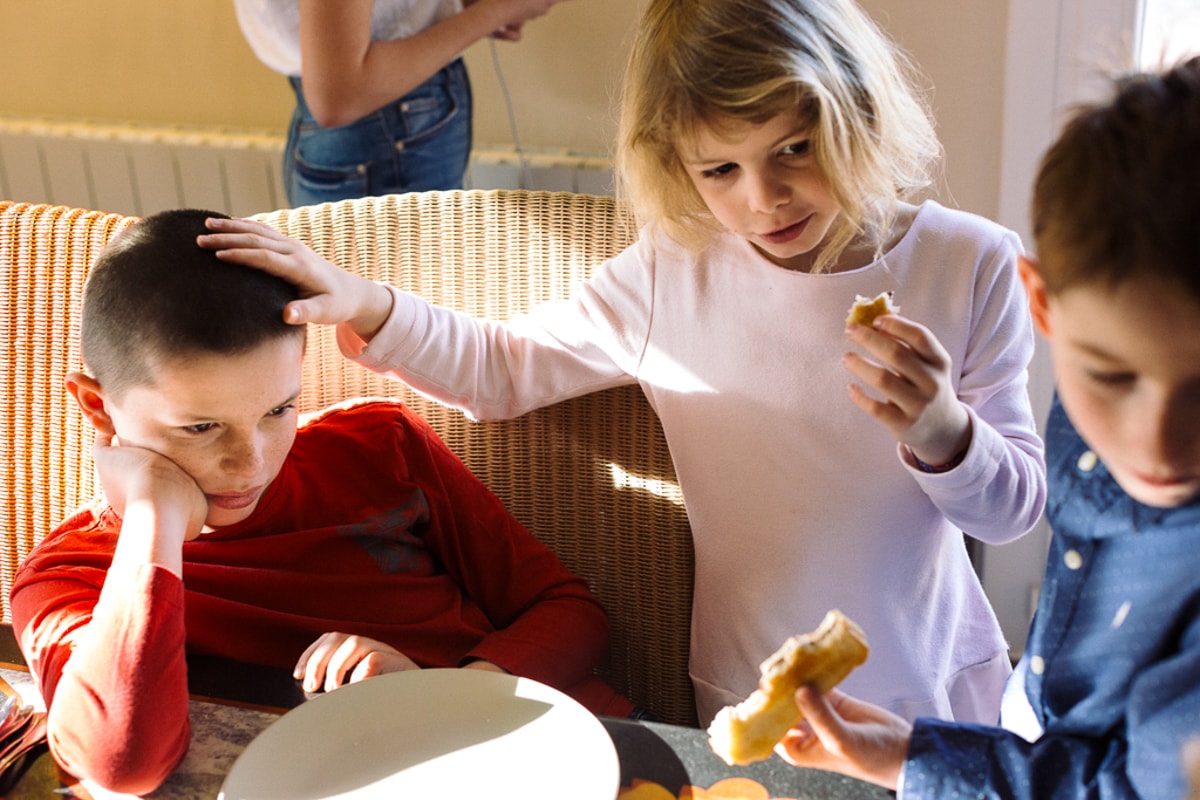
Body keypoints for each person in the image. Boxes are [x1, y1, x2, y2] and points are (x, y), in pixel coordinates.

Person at [200, 0, 1047, 727]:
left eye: (795, 146)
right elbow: (502, 366)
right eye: (721, 168)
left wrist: (944, 432)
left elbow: (1012, 513)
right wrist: (368, 304)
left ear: (857, 111)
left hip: (940, 685)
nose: (764, 198)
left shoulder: (968, 265)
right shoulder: (673, 274)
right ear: (674, 162)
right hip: (756, 684)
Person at [9, 209, 633, 795]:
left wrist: (447, 696)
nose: (251, 462)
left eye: (279, 409)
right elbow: (125, 763)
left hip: (556, 751)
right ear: (97, 406)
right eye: (200, 428)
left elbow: (570, 611)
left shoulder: (376, 447)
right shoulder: (73, 576)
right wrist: (153, 522)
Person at [772, 56, 1200, 798]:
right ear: (1045, 304)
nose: (1156, 441)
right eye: (1111, 377)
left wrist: (926, 763)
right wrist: (915, 755)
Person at [233, 0, 571, 206]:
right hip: (385, 133)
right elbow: (338, 94)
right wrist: (499, 9)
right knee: (398, 317)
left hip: (384, 130)